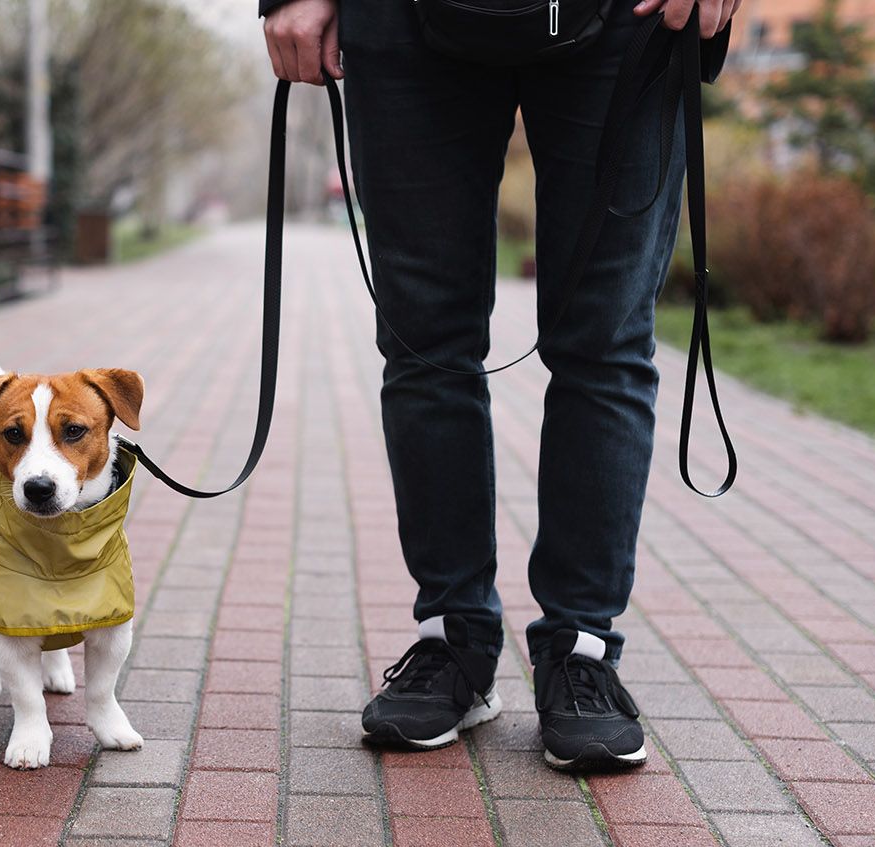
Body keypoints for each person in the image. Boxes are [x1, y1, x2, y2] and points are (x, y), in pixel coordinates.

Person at [260, 0, 740, 770]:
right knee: (423, 342)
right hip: (403, 18)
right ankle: (453, 638)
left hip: (628, 17)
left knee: (607, 338)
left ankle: (582, 649)